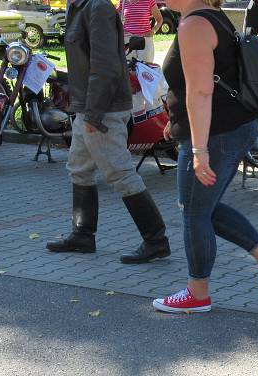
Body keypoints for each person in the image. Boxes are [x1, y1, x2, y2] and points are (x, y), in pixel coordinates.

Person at [153, 0, 258, 313]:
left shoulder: (194, 25)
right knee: (202, 206)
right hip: (228, 129)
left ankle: (197, 293)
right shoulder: (207, 17)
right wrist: (177, 126)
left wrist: (199, 150)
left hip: (216, 135)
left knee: (194, 213)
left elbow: (201, 91)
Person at [46, 0, 171, 265]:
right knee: (79, 168)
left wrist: (94, 112)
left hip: (102, 109)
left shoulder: (97, 7)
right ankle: (82, 235)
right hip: (88, 105)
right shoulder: (79, 5)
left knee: (120, 172)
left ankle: (156, 240)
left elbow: (105, 66)